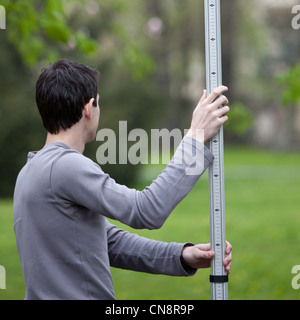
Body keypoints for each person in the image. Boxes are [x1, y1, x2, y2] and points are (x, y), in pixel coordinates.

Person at [13, 59, 232, 300]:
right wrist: (196, 137)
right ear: (88, 108)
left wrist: (181, 256)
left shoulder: (31, 170)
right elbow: (147, 210)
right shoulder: (65, 166)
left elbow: (105, 242)